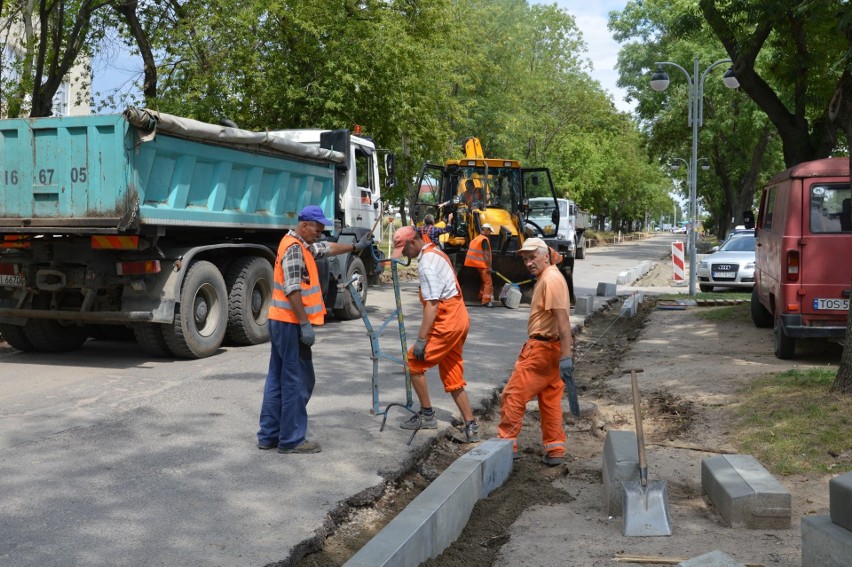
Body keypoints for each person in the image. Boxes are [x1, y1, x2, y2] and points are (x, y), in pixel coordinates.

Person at [257, 205, 373, 454]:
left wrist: (354, 247)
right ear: (304, 225)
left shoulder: (301, 244)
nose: (320, 234)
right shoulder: (294, 250)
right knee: (297, 380)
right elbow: (293, 289)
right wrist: (304, 324)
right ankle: (291, 439)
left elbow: (327, 249)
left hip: (281, 321)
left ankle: (269, 435)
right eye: (317, 230)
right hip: (290, 323)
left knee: (277, 379)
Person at [391, 225, 480, 443]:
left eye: (404, 249)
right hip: (459, 318)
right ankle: (471, 425)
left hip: (447, 321)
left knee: (413, 361)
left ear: (413, 242)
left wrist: (422, 340)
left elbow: (432, 304)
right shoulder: (436, 252)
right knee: (451, 371)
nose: (404, 254)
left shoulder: (427, 264)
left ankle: (428, 415)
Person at [497, 237, 573, 466]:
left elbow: (563, 321)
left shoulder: (550, 279)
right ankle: (555, 448)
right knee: (549, 400)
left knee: (512, 396)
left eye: (533, 257)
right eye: (526, 259)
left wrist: (567, 355)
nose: (529, 263)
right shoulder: (548, 277)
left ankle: (506, 445)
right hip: (552, 349)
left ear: (546, 255)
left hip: (541, 349)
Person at [464, 224, 495, 308]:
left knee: (484, 281)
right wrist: (489, 266)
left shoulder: (477, 238)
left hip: (478, 264)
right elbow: (486, 254)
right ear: (486, 230)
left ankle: (481, 296)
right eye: (490, 231)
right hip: (483, 264)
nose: (490, 233)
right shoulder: (484, 239)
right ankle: (486, 301)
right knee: (488, 282)